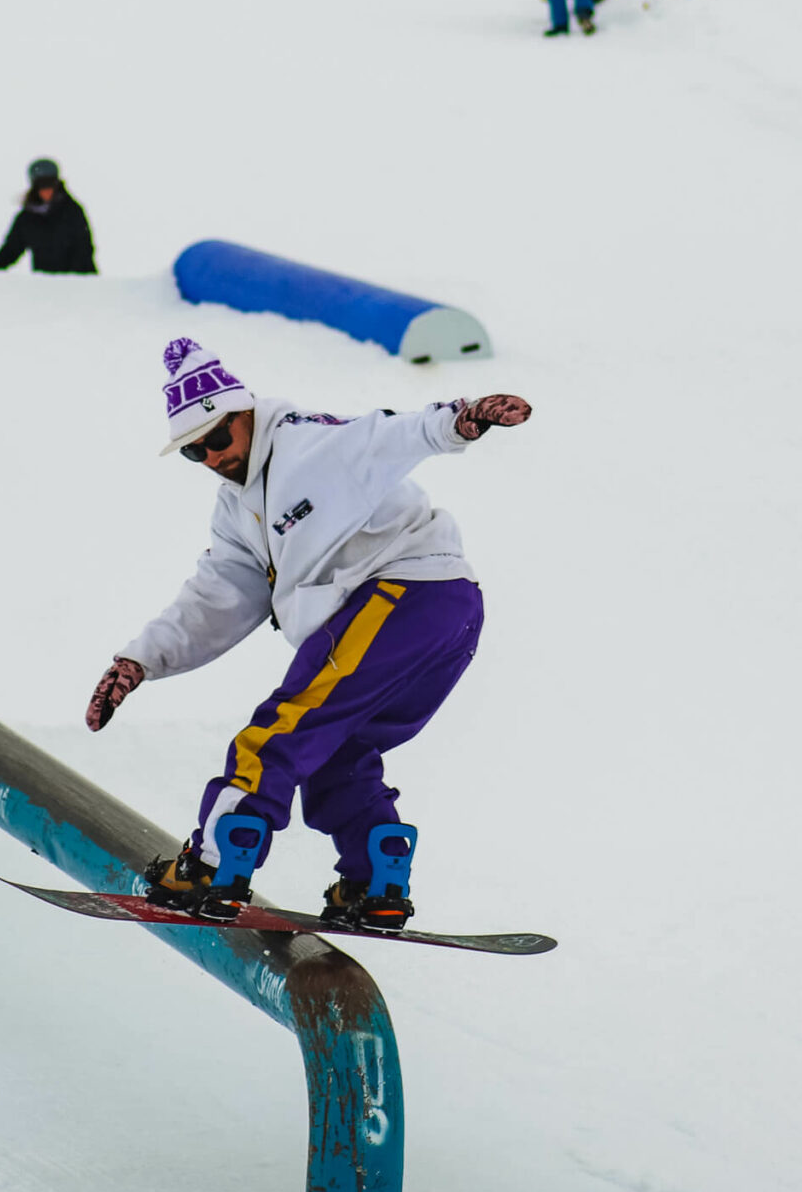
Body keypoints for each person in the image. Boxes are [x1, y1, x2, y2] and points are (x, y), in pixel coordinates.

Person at [83, 339, 534, 931]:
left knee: (278, 733)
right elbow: (219, 596)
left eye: (219, 438)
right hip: (442, 615)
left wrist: (461, 419)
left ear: (246, 412)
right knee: (334, 752)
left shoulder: (307, 440)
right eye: (195, 452)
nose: (214, 457)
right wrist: (140, 660)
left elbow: (388, 435)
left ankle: (216, 865)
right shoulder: (235, 506)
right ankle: (376, 878)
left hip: (406, 595)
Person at [0, 159, 96, 274]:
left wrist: (72, 280)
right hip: (44, 287)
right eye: (42, 186)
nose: (46, 190)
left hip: (78, 285)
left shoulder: (72, 212)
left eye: (50, 184)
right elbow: (10, 250)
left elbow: (84, 248)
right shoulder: (27, 219)